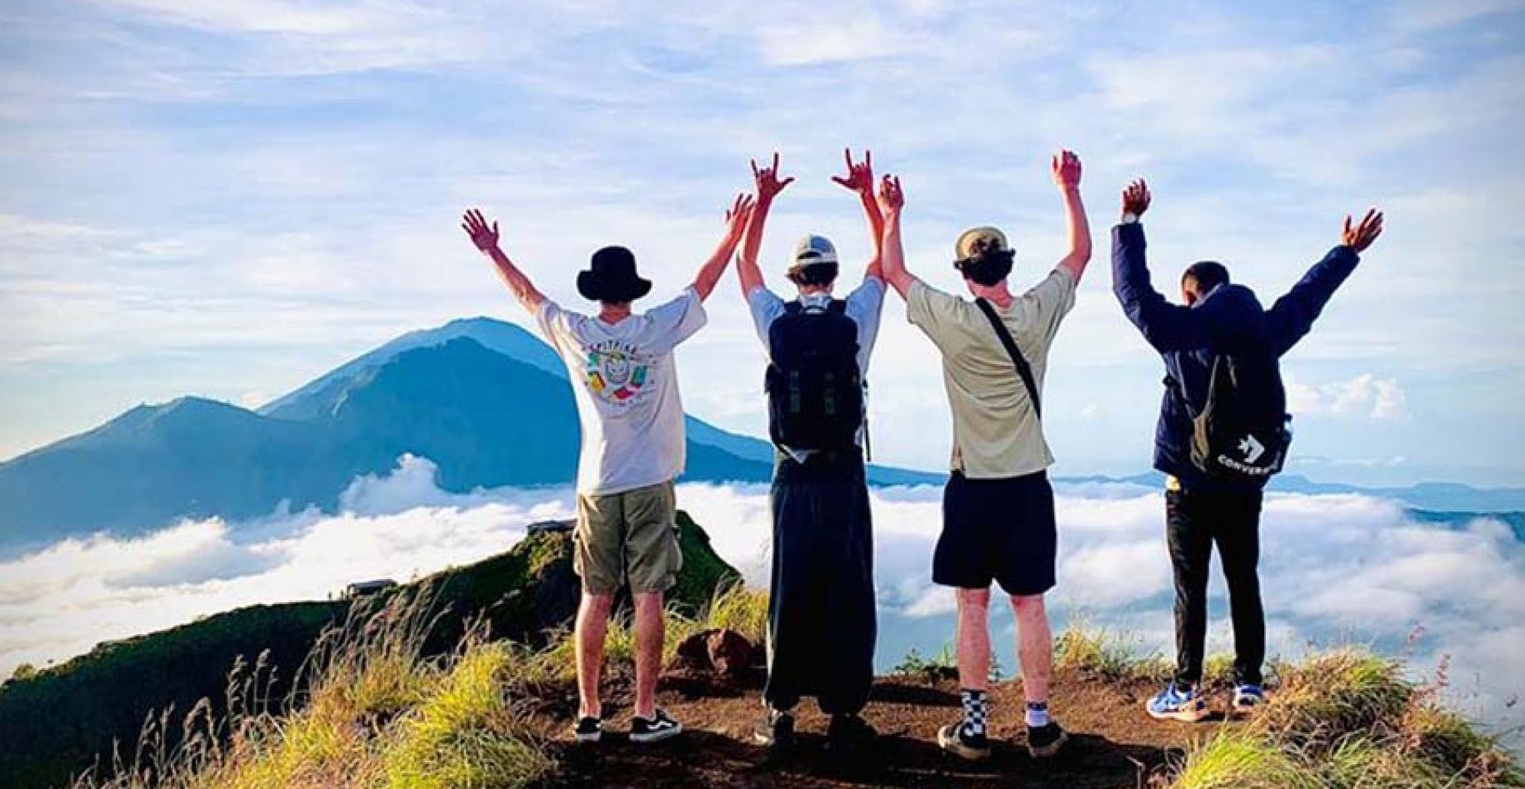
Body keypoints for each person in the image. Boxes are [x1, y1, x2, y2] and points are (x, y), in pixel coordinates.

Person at [461, 194, 755, 745]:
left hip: (596, 484)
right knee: (649, 596)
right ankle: (645, 711)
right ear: (634, 289)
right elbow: (704, 284)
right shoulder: (655, 330)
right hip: (650, 481)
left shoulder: (575, 333)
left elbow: (528, 297)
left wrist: (493, 252)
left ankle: (589, 713)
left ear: (596, 292)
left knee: (593, 597)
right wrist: (734, 233)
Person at [1110, 179, 1383, 722]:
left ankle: (1186, 690)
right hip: (1244, 481)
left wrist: (1130, 223)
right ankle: (1249, 685)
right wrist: (1346, 252)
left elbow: (1132, 294)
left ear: (1191, 293)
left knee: (1191, 587)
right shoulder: (1267, 331)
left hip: (1188, 487)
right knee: (1243, 579)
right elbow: (1308, 298)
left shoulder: (1182, 331)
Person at [875, 150, 1092, 761]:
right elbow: (1078, 257)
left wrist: (891, 212)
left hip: (971, 484)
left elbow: (893, 271)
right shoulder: (1037, 313)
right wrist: (1068, 190)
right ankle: (1039, 723)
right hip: (1027, 483)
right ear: (1006, 266)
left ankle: (973, 728)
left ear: (966, 272)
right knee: (1030, 605)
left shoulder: (952, 319)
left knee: (972, 605)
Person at [734, 150, 886, 753]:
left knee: (790, 585)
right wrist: (869, 198)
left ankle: (780, 711)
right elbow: (884, 264)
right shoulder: (858, 318)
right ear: (832, 273)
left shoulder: (774, 322)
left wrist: (763, 200)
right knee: (849, 587)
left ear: (796, 279)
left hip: (791, 475)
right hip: (844, 472)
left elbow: (745, 265)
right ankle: (845, 716)